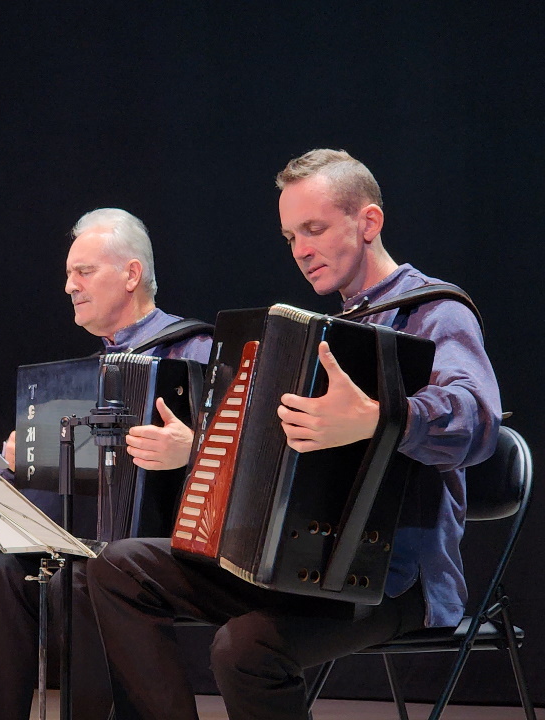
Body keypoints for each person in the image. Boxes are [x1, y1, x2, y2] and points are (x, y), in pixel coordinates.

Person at [86, 150, 502, 720]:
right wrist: (201, 447)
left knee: (244, 649)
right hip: (299, 562)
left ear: (369, 222)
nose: (301, 250)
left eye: (315, 229)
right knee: (117, 566)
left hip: (397, 579)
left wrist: (381, 418)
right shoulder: (326, 334)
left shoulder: (434, 312)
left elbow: (476, 422)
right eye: (290, 237)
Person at [0, 208, 213, 720]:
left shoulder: (196, 352)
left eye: (84, 271)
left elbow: (238, 460)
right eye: (69, 274)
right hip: (87, 548)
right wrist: (24, 463)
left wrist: (193, 447)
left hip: (171, 551)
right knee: (4, 573)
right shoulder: (93, 371)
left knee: (78, 580)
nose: (69, 285)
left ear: (132, 274)